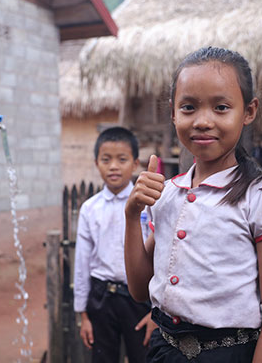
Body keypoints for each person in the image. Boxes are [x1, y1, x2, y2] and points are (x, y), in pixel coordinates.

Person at [124, 47, 262, 363]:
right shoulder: (168, 194)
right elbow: (140, 290)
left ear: (249, 111)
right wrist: (131, 215)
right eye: (189, 107)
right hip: (165, 351)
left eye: (221, 107)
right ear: (173, 112)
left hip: (229, 353)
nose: (203, 121)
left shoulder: (261, 198)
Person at [74, 126, 157, 363]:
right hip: (101, 299)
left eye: (122, 159)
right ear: (96, 163)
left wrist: (156, 312)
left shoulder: (149, 204)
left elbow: (162, 255)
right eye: (106, 159)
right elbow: (82, 263)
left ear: (134, 164)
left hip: (139, 300)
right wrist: (84, 315)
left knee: (143, 357)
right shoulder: (90, 209)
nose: (113, 166)